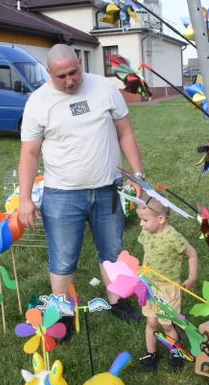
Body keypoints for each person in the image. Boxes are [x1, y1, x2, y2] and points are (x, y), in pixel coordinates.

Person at [18, 44, 144, 324]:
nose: (70, 80)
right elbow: (29, 153)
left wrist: (137, 174)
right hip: (61, 195)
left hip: (107, 189)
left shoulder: (106, 88)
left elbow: (125, 132)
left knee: (112, 251)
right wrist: (25, 198)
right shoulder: (38, 102)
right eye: (61, 76)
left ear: (79, 62)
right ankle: (63, 313)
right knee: (63, 259)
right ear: (49, 72)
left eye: (73, 72)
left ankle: (118, 301)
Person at [137, 195, 198, 372]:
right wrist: (142, 273)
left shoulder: (173, 237)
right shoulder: (146, 233)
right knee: (151, 322)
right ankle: (150, 353)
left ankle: (175, 351)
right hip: (149, 286)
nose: (141, 224)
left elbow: (192, 254)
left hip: (167, 288)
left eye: (145, 220)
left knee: (167, 324)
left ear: (161, 219)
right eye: (140, 219)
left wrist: (191, 277)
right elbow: (146, 253)